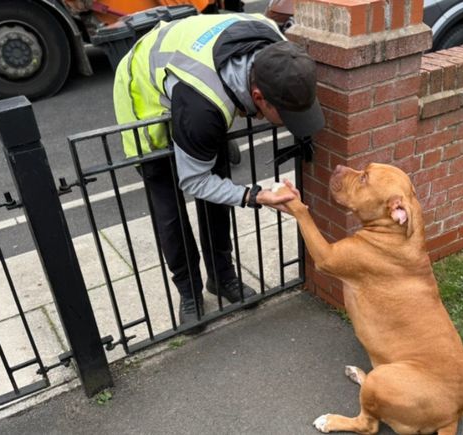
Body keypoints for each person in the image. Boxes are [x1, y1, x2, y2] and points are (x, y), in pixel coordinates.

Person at [113, 12, 324, 328]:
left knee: (218, 195)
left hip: (194, 93)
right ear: (258, 97)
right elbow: (194, 181)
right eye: (286, 116)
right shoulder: (203, 107)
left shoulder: (279, 50)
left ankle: (222, 277)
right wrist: (256, 196)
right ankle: (189, 292)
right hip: (145, 88)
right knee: (169, 208)